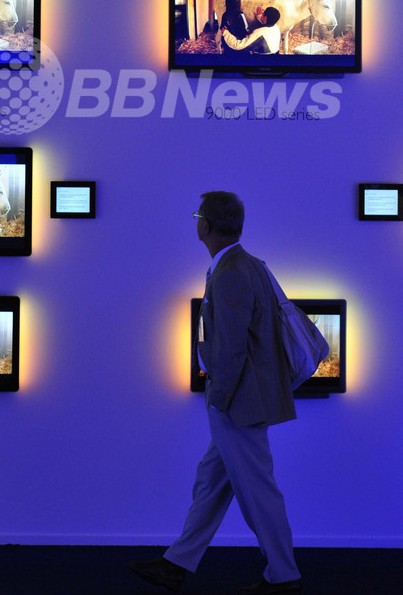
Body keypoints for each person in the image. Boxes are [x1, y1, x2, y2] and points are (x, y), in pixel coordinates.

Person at [129, 191, 302, 595]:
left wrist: (219, 399)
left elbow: (231, 347)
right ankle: (177, 563)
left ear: (204, 225)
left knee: (258, 492)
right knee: (210, 482)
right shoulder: (248, 264)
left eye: (197, 217)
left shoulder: (232, 272)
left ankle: (284, 575)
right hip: (243, 398)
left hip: (238, 402)